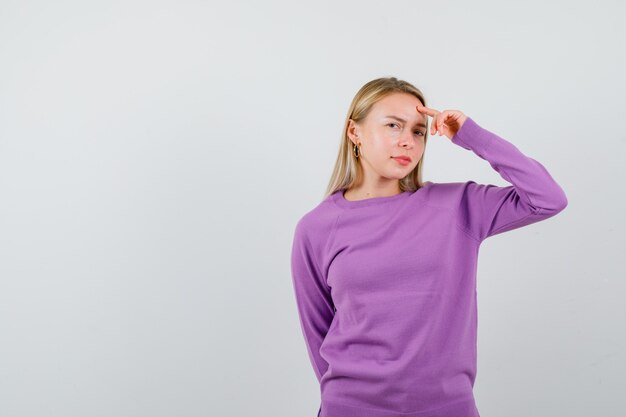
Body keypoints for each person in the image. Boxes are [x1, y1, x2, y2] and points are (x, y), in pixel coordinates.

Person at [290, 77, 568, 417]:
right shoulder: (316, 228)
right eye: (393, 126)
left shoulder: (457, 206)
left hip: (447, 408)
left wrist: (470, 135)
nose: (407, 141)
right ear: (354, 132)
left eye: (419, 131)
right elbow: (318, 332)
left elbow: (547, 199)